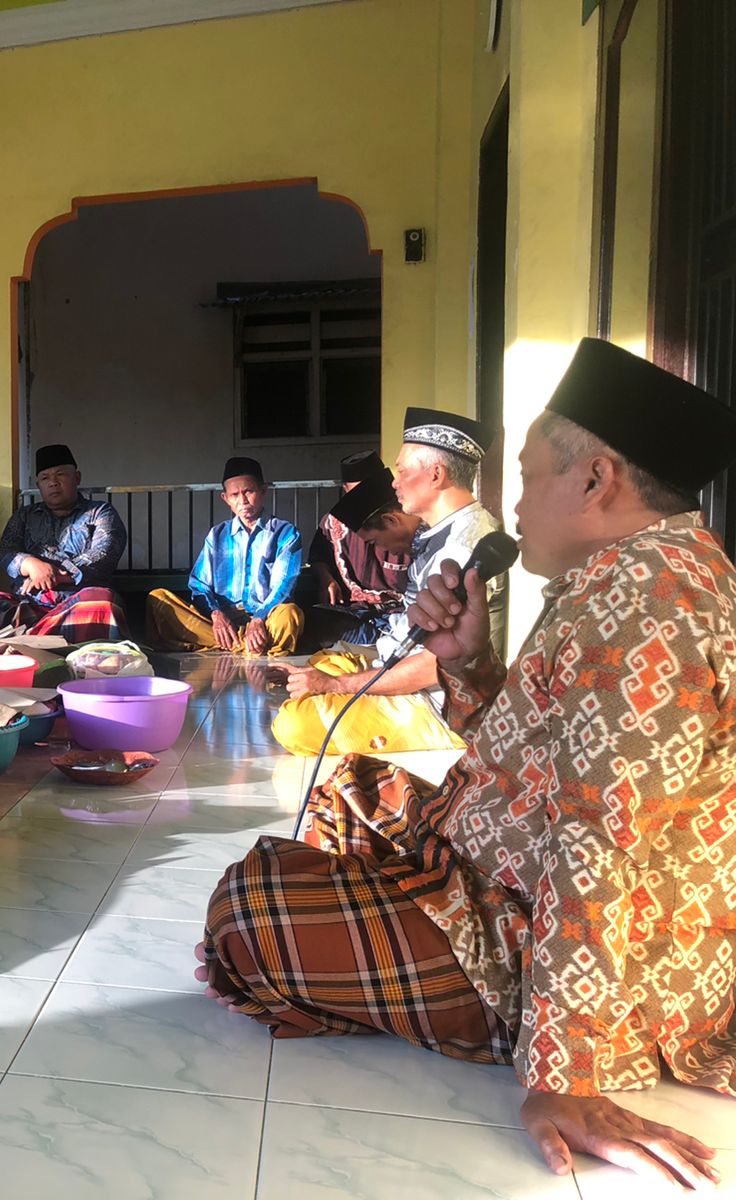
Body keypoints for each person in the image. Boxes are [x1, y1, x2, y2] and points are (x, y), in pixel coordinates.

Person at [200, 339, 736, 1190]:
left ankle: (422, 984)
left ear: (596, 480)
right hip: (491, 859)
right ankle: (358, 942)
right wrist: (466, 663)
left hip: (548, 941)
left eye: (525, 477)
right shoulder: (622, 577)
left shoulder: (650, 607)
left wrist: (565, 1076)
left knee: (247, 907)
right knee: (351, 785)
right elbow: (532, 755)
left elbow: (601, 847)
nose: (509, 503)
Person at [272, 409, 507, 755]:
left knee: (292, 724)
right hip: (396, 666)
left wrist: (337, 685)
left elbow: (433, 667)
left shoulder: (462, 547)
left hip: (438, 707)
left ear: (436, 475)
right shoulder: (438, 533)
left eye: (402, 470)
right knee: (318, 667)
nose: (394, 483)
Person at [0, 444, 128, 643]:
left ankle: (30, 636)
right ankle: (49, 633)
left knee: (102, 604)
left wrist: (54, 575)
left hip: (76, 602)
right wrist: (31, 565)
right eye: (45, 478)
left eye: (60, 474)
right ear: (38, 484)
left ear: (76, 478)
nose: (53, 482)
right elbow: (6, 551)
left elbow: (104, 553)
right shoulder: (24, 515)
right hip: (32, 603)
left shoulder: (100, 512)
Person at [146, 457, 304, 655]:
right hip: (222, 623)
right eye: (235, 495)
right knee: (158, 599)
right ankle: (247, 645)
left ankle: (235, 644)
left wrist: (258, 619)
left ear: (263, 491)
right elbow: (199, 584)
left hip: (267, 618)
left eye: (249, 492)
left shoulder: (285, 533)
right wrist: (216, 614)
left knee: (290, 615)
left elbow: (284, 586)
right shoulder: (217, 535)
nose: (243, 501)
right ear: (226, 499)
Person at [305, 450, 411, 645]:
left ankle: (386, 641)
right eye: (356, 491)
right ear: (346, 489)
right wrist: (326, 580)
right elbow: (318, 556)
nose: (363, 498)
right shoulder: (334, 523)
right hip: (355, 611)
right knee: (313, 620)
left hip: (399, 612)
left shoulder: (405, 523)